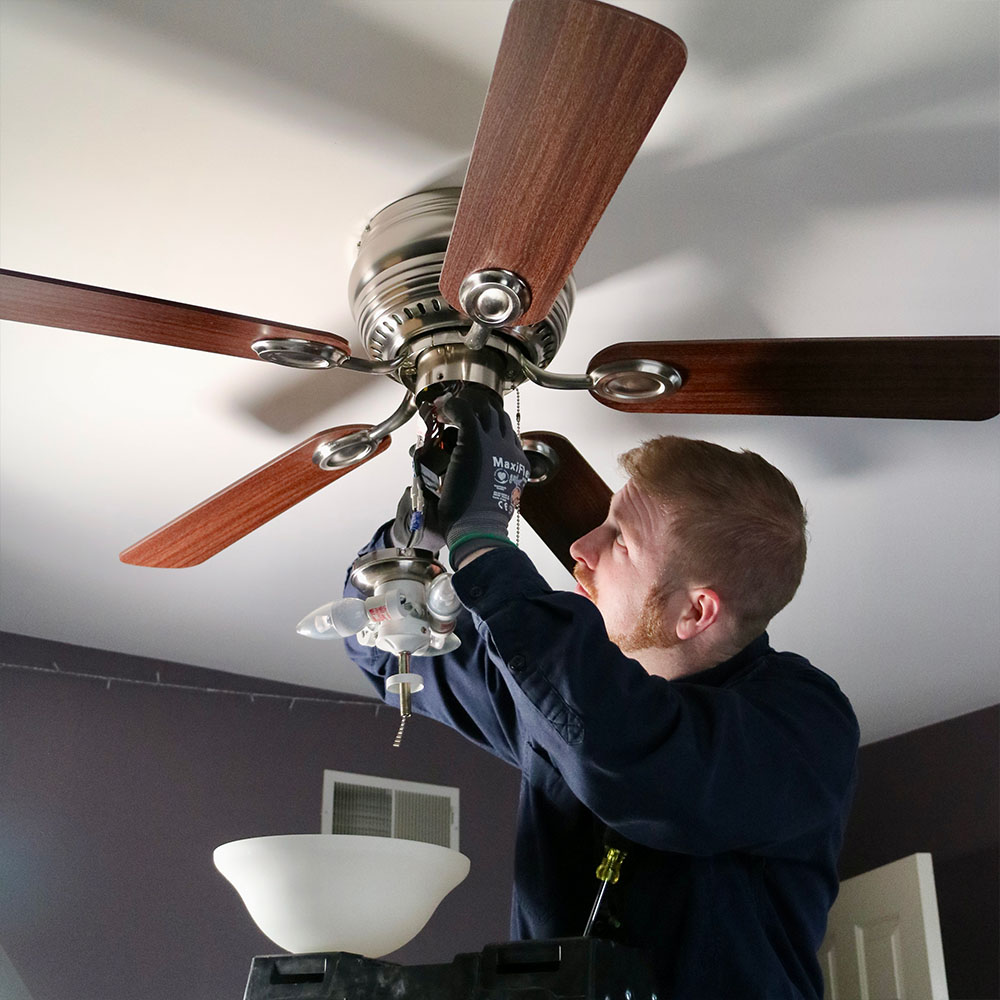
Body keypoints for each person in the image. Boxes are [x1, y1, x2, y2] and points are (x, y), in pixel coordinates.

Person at [343, 384, 859, 999]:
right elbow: (382, 652)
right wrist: (419, 531)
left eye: (619, 539)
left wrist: (483, 543)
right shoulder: (552, 698)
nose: (580, 547)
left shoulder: (803, 723)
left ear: (695, 613)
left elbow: (633, 754)